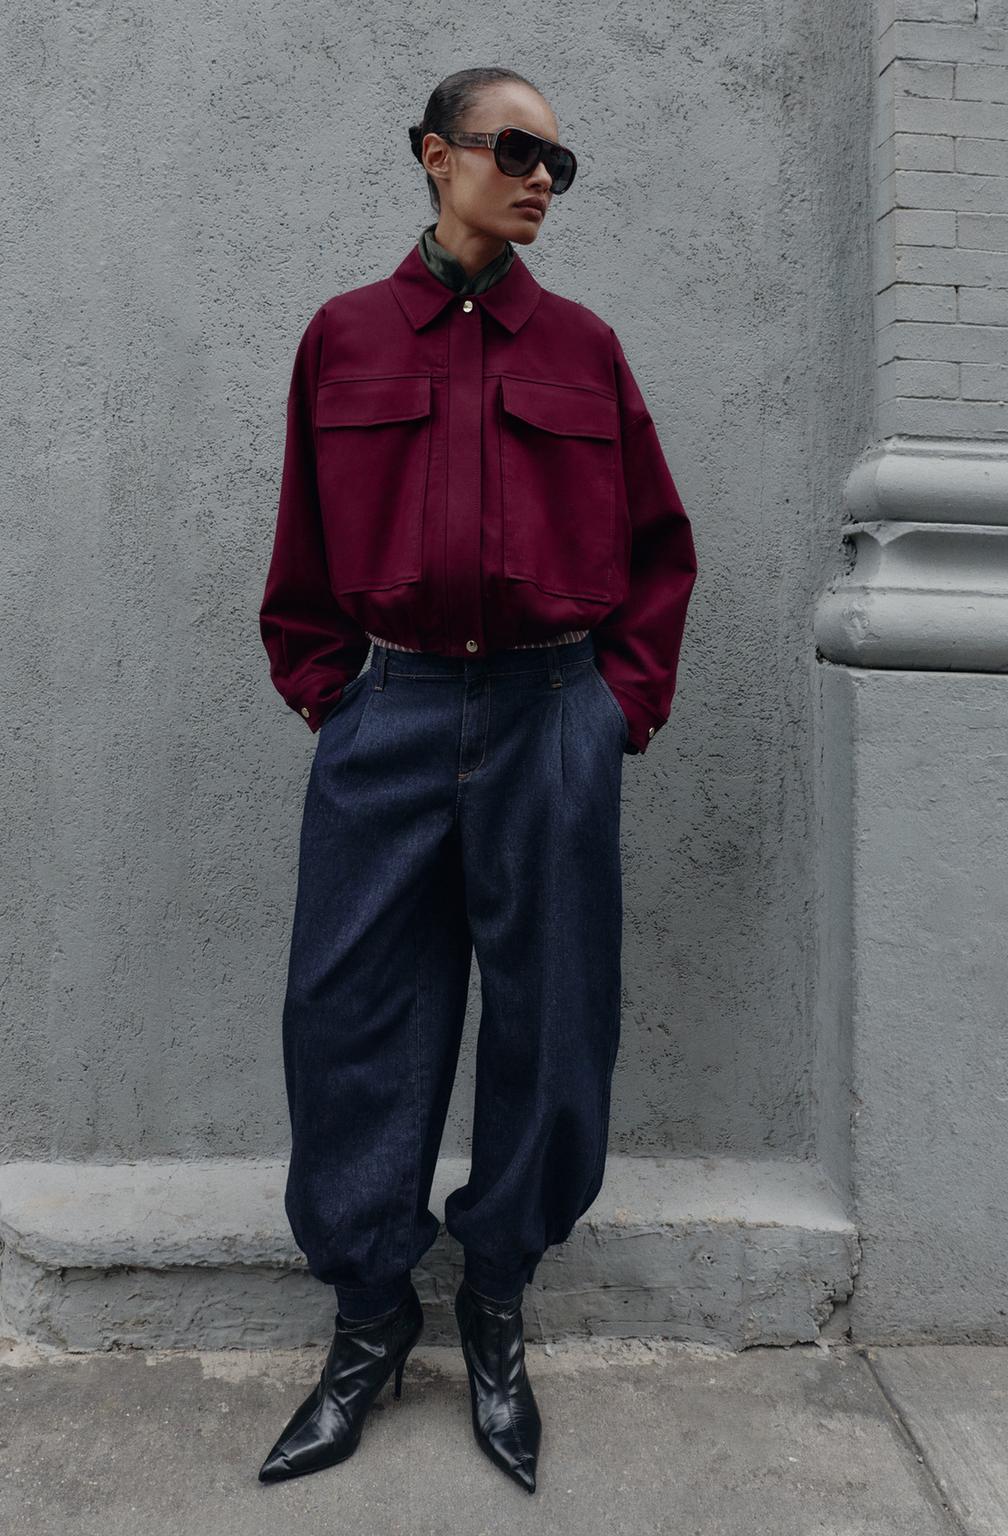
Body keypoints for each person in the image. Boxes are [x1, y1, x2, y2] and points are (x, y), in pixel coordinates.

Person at [256, 65, 698, 1495]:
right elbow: (303, 545)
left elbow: (660, 549)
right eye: (516, 150)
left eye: (560, 161)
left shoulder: (583, 349)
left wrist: (613, 712)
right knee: (350, 1019)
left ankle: (497, 1299)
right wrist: (331, 693)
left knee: (553, 1021)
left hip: (549, 716)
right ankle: (370, 1316)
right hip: (386, 716)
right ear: (435, 155)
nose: (541, 178)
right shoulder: (344, 338)